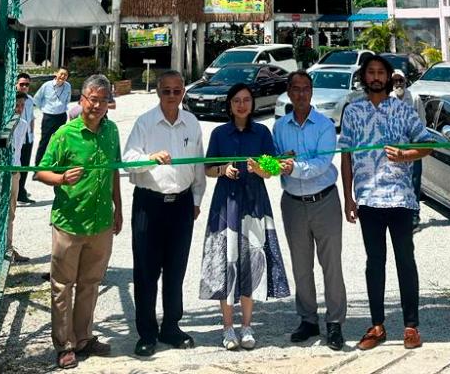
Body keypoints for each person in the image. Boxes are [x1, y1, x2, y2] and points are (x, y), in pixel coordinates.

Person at [339, 54, 432, 351]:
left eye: (381, 72)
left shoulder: (403, 110)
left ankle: (410, 326)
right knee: (374, 262)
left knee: (406, 260)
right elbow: (345, 156)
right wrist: (348, 198)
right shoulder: (352, 111)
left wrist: (406, 156)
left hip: (401, 198)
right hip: (368, 199)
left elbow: (427, 144)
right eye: (371, 72)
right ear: (364, 78)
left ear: (389, 77)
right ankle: (377, 325)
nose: (376, 77)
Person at [36, 73, 122, 371]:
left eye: (102, 101)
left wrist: (119, 209)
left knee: (90, 283)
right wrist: (60, 178)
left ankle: (84, 337)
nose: (96, 106)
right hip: (69, 223)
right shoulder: (65, 134)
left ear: (109, 104)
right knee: (62, 285)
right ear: (81, 100)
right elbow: (40, 171)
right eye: (91, 100)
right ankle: (64, 345)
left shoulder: (111, 132)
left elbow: (113, 172)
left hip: (101, 222)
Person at [200, 83, 290, 351]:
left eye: (246, 100)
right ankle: (227, 328)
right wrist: (223, 170)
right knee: (226, 260)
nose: (242, 105)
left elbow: (273, 169)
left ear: (252, 103)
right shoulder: (219, 133)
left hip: (254, 202)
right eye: (237, 100)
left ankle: (247, 326)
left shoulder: (262, 132)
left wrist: (260, 168)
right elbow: (207, 169)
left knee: (251, 260)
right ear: (229, 105)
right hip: (226, 202)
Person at [124, 70, 205, 358]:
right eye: (166, 91)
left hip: (181, 206)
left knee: (175, 270)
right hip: (150, 204)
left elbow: (198, 165)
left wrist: (196, 199)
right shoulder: (145, 122)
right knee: (146, 271)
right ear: (158, 92)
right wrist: (150, 158)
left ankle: (171, 326)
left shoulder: (192, 122)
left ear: (183, 92)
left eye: (177, 91)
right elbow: (128, 161)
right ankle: (147, 333)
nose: (172, 96)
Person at [273, 70, 346, 351]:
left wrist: (292, 167)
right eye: (296, 89)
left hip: (325, 201)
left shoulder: (325, 126)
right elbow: (274, 162)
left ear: (311, 92)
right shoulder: (279, 127)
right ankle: (308, 320)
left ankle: (335, 322)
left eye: (306, 88)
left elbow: (322, 164)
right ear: (288, 92)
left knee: (331, 265)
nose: (301, 94)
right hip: (292, 204)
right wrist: (268, 167)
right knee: (301, 267)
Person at [390, 69, 425, 231]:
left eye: (400, 80)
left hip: (413, 147)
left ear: (405, 81)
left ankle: (414, 215)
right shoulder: (388, 99)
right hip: (395, 148)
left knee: (414, 182)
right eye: (395, 81)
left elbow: (422, 122)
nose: (398, 83)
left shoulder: (415, 98)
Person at [6, 92, 30, 264]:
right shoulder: (2, 125)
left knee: (10, 212)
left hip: (14, 171)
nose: (19, 109)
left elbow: (19, 150)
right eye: (17, 105)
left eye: (22, 105)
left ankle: (8, 246)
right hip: (0, 172)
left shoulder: (23, 124)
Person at [33, 68, 72, 170]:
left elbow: (68, 99)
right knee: (45, 141)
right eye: (61, 74)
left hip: (61, 116)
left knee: (59, 141)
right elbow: (37, 99)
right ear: (56, 74)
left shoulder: (68, 86)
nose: (63, 77)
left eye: (65, 75)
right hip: (49, 117)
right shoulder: (47, 85)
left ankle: (54, 165)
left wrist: (62, 107)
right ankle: (38, 166)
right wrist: (44, 108)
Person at [16, 73, 35, 204]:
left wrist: (32, 134)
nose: (24, 86)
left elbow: (32, 117)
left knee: (25, 165)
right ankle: (16, 191)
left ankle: (21, 191)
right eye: (21, 84)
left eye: (26, 84)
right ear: (16, 84)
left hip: (28, 136)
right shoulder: (13, 99)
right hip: (17, 137)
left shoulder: (30, 100)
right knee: (17, 164)